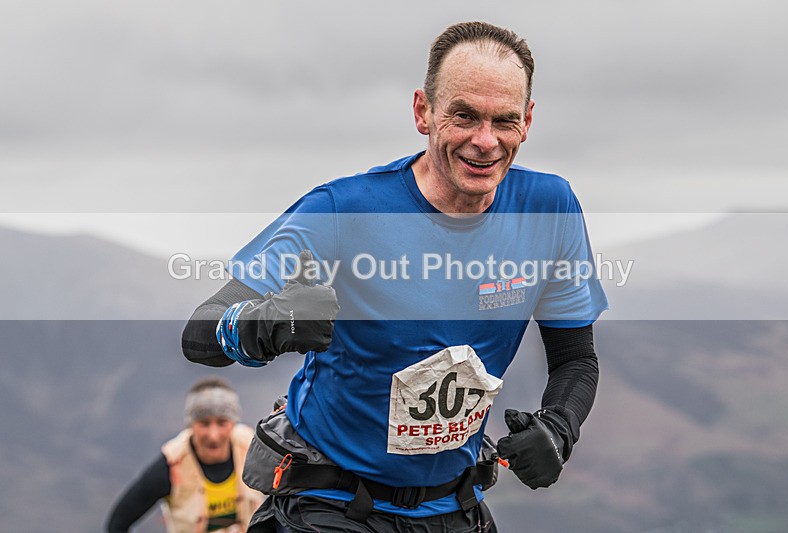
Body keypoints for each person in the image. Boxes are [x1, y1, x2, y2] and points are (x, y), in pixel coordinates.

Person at [182, 21, 608, 532]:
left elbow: (576, 360)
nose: (485, 141)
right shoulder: (343, 211)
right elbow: (201, 331)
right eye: (464, 116)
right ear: (423, 112)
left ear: (528, 121)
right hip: (330, 505)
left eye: (504, 120)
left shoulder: (549, 209)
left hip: (454, 508)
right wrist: (268, 324)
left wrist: (560, 428)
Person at [106, 377, 265, 533]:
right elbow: (117, 524)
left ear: (233, 423)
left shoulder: (254, 449)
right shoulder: (172, 465)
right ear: (190, 424)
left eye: (222, 422)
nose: (213, 435)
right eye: (204, 423)